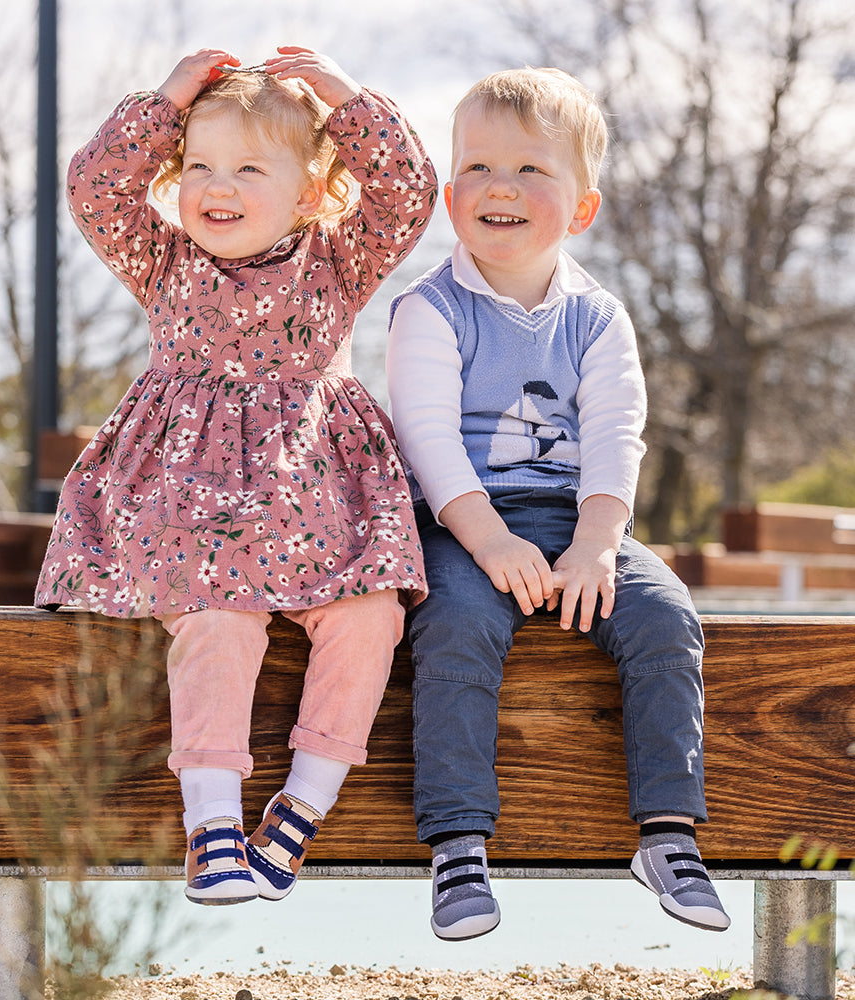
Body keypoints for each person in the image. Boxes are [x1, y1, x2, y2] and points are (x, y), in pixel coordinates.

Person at [36, 45, 437, 906]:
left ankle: (300, 807)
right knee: (220, 622)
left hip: (317, 499)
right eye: (200, 165)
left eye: (250, 167)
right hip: (188, 504)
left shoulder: (338, 262)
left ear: (307, 194)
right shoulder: (166, 263)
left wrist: (346, 96)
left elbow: (407, 193)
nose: (218, 185)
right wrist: (168, 99)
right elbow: (96, 191)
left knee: (370, 616)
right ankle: (212, 825)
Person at [386, 67, 730, 941]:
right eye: (477, 167)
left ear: (581, 208)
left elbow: (619, 432)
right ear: (449, 190)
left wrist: (599, 544)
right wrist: (491, 541)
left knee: (665, 617)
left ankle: (667, 834)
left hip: (577, 518)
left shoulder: (598, 317)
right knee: (455, 623)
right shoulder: (430, 309)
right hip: (463, 522)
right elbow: (427, 441)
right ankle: (459, 844)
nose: (500, 186)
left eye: (532, 169)